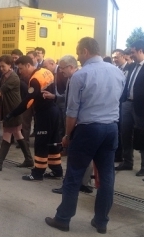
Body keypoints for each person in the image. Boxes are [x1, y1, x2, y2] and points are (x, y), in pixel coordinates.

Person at [45, 37, 125, 234]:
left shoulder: (81, 76)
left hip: (88, 129)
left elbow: (72, 112)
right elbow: (119, 99)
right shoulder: (117, 72)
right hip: (111, 128)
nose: (79, 58)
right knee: (106, 176)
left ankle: (63, 219)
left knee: (74, 174)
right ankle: (101, 221)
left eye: (79, 53)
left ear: (86, 51)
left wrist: (67, 135)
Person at [5, 56, 63, 180]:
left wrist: (13, 113)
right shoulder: (46, 72)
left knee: (41, 143)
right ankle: (56, 170)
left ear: (28, 65)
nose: (20, 72)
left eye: (21, 69)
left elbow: (28, 100)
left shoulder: (34, 79)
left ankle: (37, 172)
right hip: (54, 111)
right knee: (52, 142)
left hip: (44, 114)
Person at [45, 55, 93, 194]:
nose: (60, 71)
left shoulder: (77, 78)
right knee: (85, 155)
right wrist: (54, 96)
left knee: (73, 155)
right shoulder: (72, 79)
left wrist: (67, 132)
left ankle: (70, 185)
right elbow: (66, 97)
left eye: (62, 68)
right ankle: (84, 183)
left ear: (71, 67)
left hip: (78, 122)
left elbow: (74, 107)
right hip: (83, 122)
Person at [0, 55, 34, 171]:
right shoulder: (4, 76)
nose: (1, 68)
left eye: (3, 66)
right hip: (9, 110)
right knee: (18, 134)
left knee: (7, 136)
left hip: (13, 111)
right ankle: (29, 160)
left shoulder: (13, 78)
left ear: (10, 65)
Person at [116, 40, 144, 177]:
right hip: (127, 104)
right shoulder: (132, 67)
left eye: (133, 52)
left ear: (140, 51)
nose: (131, 55)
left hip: (141, 107)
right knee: (125, 133)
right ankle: (127, 161)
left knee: (142, 136)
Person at [42, 58, 68, 139]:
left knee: (63, 124)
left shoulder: (62, 73)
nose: (44, 69)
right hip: (56, 102)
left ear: (52, 64)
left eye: (46, 67)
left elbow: (67, 92)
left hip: (63, 103)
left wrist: (54, 96)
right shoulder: (51, 74)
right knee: (59, 124)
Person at [112, 49, 130, 162]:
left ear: (123, 56)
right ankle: (117, 155)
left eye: (116, 57)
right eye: (113, 58)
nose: (114, 60)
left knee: (123, 130)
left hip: (125, 103)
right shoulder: (115, 70)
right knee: (118, 129)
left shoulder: (129, 69)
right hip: (116, 103)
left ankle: (124, 155)